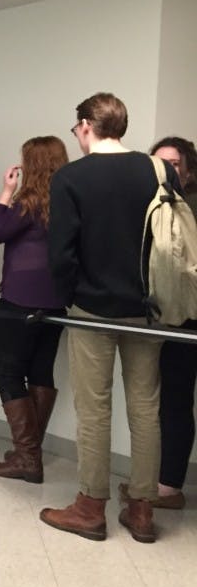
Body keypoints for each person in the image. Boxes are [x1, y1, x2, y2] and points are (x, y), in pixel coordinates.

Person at [41, 92, 176, 543]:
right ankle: (141, 508)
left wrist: (65, 299)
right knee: (146, 407)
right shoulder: (158, 169)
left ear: (84, 126)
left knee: (93, 409)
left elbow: (60, 252)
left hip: (92, 307)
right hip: (149, 307)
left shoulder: (70, 178)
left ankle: (90, 506)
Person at [113, 136, 197, 510]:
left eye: (174, 163)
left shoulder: (187, 209)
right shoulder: (156, 205)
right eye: (160, 162)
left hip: (186, 320)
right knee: (163, 399)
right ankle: (162, 482)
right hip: (162, 317)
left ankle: (168, 486)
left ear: (189, 170)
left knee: (175, 400)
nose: (166, 170)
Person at [0, 136, 69, 483]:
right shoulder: (69, 203)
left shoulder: (28, 202)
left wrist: (6, 191)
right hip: (56, 303)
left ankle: (28, 457)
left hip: (18, 302)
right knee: (40, 372)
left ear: (30, 165)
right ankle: (29, 452)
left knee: (6, 373)